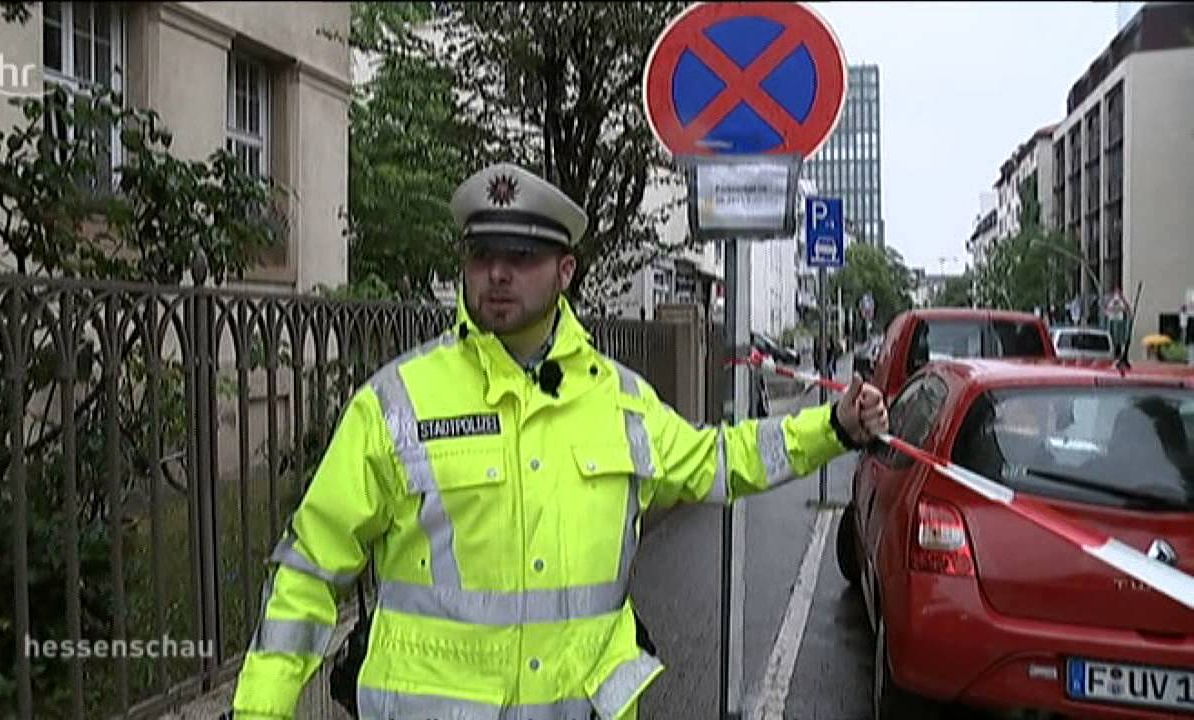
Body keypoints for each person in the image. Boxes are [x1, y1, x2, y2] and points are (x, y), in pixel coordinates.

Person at [230, 163, 889, 720]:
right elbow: (310, 567)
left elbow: (720, 462)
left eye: (520, 257)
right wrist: (260, 709)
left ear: (566, 269)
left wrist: (832, 428)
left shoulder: (619, 399)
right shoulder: (396, 402)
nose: (496, 274)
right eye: (482, 255)